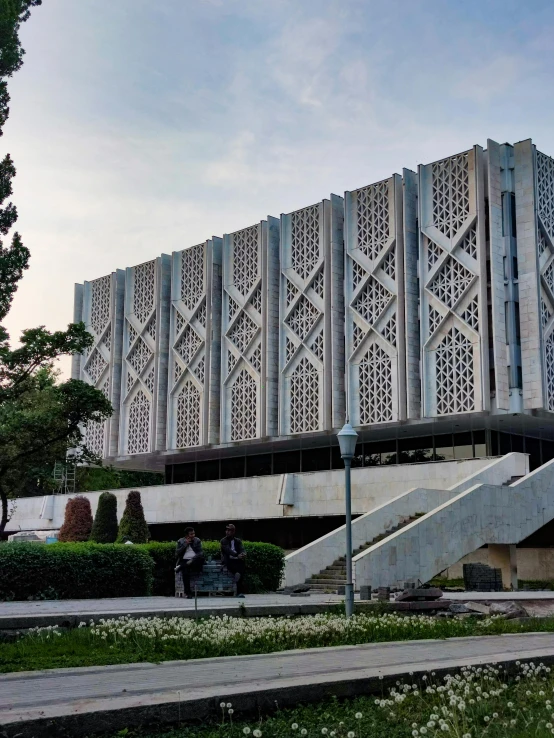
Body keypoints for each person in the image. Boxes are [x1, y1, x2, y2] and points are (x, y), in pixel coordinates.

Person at [175, 526, 204, 599]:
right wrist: (185, 544)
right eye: (191, 534)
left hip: (195, 560)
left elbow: (200, 553)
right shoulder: (181, 541)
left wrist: (192, 560)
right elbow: (177, 553)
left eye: (194, 533)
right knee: (185, 572)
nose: (193, 535)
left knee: (200, 559)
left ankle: (181, 566)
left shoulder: (197, 540)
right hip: (185, 561)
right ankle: (188, 593)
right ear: (186, 535)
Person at [220, 523, 246, 598]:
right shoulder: (223, 541)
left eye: (229, 530)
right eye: (226, 530)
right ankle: (239, 592)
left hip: (237, 560)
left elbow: (242, 549)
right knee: (239, 569)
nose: (227, 532)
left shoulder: (238, 541)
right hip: (228, 560)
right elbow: (228, 551)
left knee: (241, 566)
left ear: (233, 532)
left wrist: (243, 554)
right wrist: (237, 555)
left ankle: (237, 574)